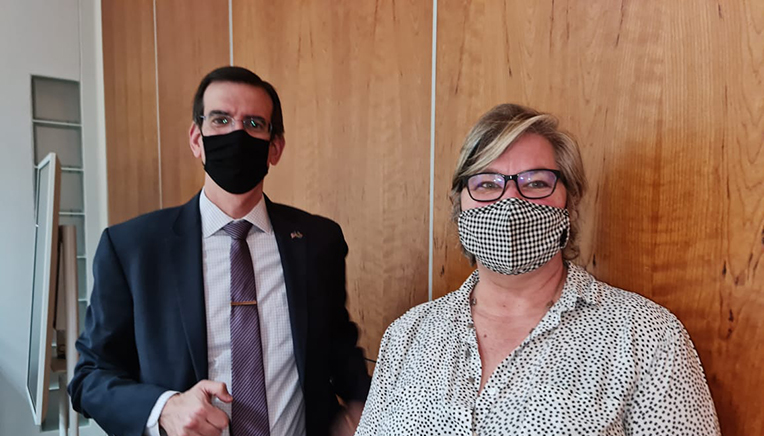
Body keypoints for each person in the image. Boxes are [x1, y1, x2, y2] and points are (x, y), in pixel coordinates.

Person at [355, 104, 720, 435]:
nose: (510, 202)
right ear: (459, 206)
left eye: (536, 183)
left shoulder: (647, 336)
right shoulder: (407, 335)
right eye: (487, 184)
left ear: (569, 203)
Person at [68, 66, 371, 436]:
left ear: (275, 148)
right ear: (197, 139)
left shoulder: (318, 241)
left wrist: (363, 409)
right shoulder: (132, 249)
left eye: (254, 124)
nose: (236, 134)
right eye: (221, 120)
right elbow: (90, 377)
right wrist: (164, 409)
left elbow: (339, 349)